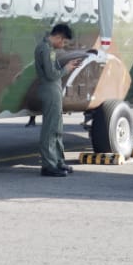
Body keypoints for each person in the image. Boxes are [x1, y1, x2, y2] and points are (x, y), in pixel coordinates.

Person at [35, 23, 80, 176]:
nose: (63, 45)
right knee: (50, 129)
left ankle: (58, 161)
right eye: (63, 41)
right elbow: (51, 74)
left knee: (57, 127)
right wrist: (66, 69)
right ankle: (48, 164)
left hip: (53, 90)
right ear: (58, 37)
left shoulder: (48, 48)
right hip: (50, 90)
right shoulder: (46, 49)